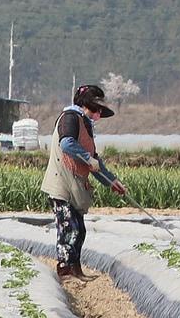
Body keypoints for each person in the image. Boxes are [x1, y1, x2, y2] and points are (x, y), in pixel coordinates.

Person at [40, 83, 128, 281]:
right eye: (96, 110)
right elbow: (67, 144)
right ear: (87, 105)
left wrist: (112, 181)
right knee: (70, 227)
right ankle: (66, 270)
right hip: (61, 185)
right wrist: (88, 160)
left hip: (74, 187)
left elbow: (94, 163)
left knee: (79, 230)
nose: (98, 115)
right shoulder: (70, 118)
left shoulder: (85, 125)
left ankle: (76, 269)